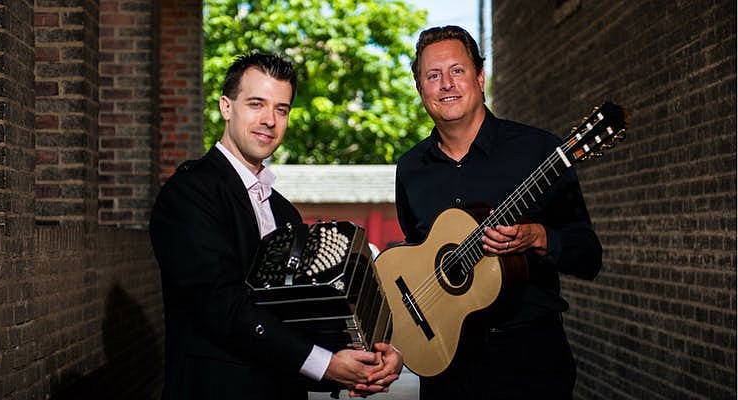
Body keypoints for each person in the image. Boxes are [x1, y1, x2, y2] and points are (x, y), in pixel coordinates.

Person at [150, 52, 402, 400]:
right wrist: (326, 364)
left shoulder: (284, 212)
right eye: (256, 104)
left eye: (281, 109)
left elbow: (295, 319)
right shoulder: (189, 193)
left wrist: (366, 359)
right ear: (226, 106)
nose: (269, 120)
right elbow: (222, 307)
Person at [395, 26, 602, 399]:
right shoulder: (410, 169)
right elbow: (418, 254)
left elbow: (588, 256)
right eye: (433, 75)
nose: (446, 84)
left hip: (528, 362)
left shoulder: (539, 151)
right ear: (420, 88)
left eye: (457, 70)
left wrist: (538, 237)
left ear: (479, 77)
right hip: (445, 370)